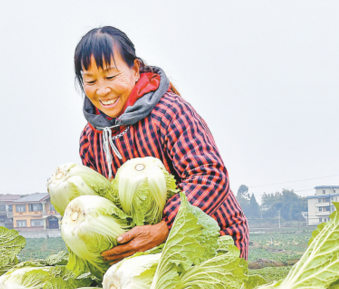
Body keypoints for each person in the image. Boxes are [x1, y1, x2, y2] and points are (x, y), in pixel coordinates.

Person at [74, 26, 249, 262]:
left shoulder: (170, 113)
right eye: (91, 80)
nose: (102, 90)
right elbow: (104, 202)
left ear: (135, 70)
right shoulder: (91, 138)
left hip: (213, 238)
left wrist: (166, 226)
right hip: (144, 251)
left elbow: (209, 176)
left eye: (111, 76)